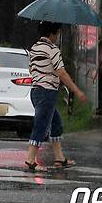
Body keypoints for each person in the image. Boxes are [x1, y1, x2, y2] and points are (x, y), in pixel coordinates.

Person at [25, 21, 86, 172]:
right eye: (57, 33)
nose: (58, 36)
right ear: (52, 33)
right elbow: (61, 73)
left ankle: (59, 158)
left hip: (36, 91)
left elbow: (32, 69)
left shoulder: (34, 48)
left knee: (55, 123)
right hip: (47, 92)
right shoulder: (52, 49)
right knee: (41, 125)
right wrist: (76, 90)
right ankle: (30, 160)